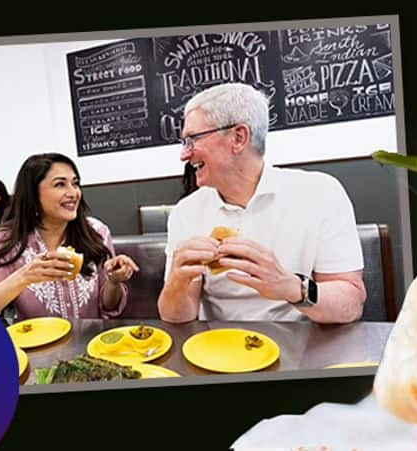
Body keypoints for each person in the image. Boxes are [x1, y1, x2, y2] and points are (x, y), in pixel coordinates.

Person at [157, 83, 366, 323]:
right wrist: (176, 282)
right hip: (215, 351)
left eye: (192, 139)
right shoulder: (186, 212)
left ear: (238, 137)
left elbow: (350, 304)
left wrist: (292, 288)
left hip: (302, 348)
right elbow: (176, 317)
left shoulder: (321, 194)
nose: (184, 155)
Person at [0, 153, 139, 321]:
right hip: (35, 347)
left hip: (92, 344)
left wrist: (114, 281)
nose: (73, 193)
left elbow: (108, 306)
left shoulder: (96, 232)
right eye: (60, 185)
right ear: (33, 193)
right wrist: (24, 277)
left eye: (75, 183)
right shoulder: (5, 240)